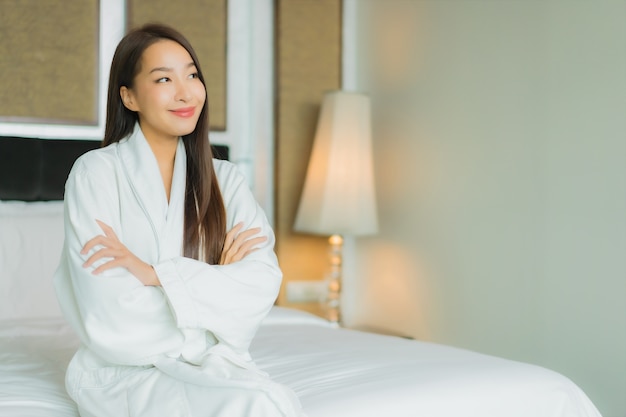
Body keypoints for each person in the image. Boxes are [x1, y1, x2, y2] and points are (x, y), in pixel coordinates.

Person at [53, 23, 304, 417]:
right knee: (258, 404)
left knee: (270, 402)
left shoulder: (227, 180)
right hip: (120, 373)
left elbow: (262, 283)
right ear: (129, 96)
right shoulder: (96, 174)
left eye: (192, 75)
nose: (186, 92)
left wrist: (154, 274)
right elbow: (109, 314)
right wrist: (215, 293)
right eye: (164, 79)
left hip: (215, 365)